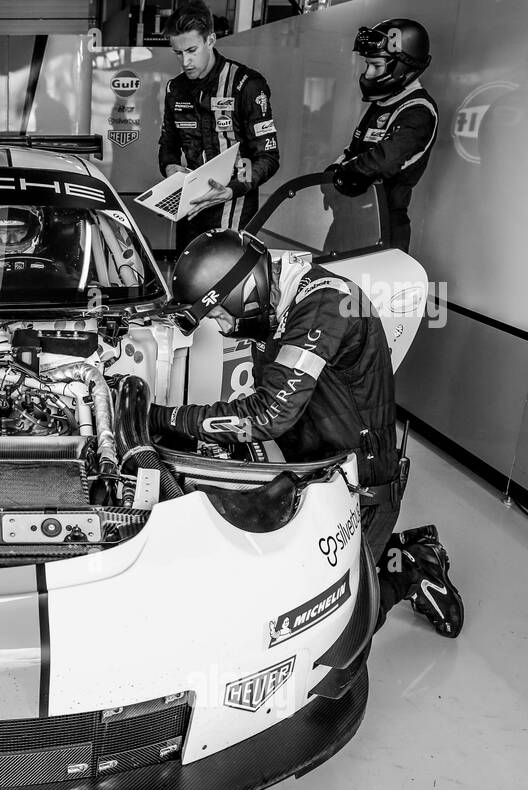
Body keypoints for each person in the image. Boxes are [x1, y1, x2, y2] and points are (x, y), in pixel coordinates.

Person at [150, 229, 463, 637]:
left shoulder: (324, 304)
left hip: (360, 485)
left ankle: (416, 565)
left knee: (335, 627)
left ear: (245, 290)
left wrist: (166, 418)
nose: (221, 327)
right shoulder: (280, 300)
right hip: (312, 468)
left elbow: (268, 414)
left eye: (217, 313)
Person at [158, 0, 280, 254]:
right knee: (189, 281)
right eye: (178, 53)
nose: (185, 61)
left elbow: (268, 156)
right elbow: (168, 145)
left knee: (226, 285)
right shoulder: (175, 88)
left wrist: (232, 189)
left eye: (192, 50)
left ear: (211, 40)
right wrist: (170, 168)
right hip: (190, 207)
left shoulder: (246, 85)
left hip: (234, 208)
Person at [328, 18, 438, 253]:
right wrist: (331, 174)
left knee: (369, 290)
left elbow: (384, 160)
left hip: (382, 230)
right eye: (368, 64)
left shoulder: (418, 110)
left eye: (376, 66)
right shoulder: (384, 102)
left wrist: (343, 174)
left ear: (401, 66)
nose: (368, 73)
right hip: (349, 223)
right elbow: (356, 149)